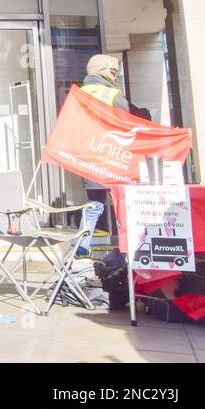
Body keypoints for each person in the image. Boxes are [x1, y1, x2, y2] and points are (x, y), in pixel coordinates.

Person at [74, 54, 130, 259]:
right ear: (101, 71)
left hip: (88, 156)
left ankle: (82, 244)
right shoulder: (112, 94)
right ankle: (128, 246)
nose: (115, 77)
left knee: (95, 202)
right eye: (113, 72)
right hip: (113, 155)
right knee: (122, 201)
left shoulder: (79, 93)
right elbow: (127, 124)